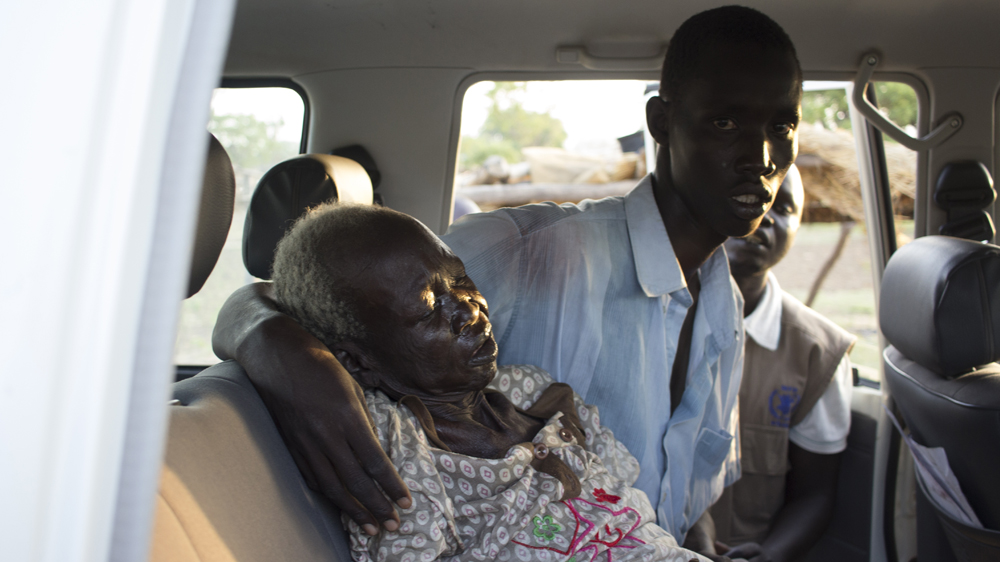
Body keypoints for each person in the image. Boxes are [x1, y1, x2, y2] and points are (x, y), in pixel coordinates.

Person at [211, 4, 803, 551]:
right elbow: (319, 309)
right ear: (661, 123)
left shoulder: (723, 298)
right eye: (726, 122)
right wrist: (269, 337)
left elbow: (685, 500)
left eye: (783, 126)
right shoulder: (528, 252)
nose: (763, 156)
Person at [270, 201, 709, 562]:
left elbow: (624, 490)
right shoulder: (399, 447)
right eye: (429, 308)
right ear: (356, 360)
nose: (469, 310)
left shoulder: (533, 392)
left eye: (461, 280)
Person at [705, 166, 856, 562]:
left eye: (784, 207)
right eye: (749, 202)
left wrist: (770, 556)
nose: (766, 216)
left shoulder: (819, 353)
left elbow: (816, 492)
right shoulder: (650, 320)